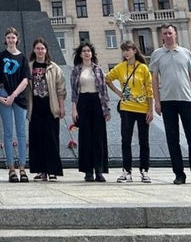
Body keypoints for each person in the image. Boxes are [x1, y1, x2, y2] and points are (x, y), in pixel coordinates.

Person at [150, 24, 191, 185]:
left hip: (187, 100)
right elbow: (154, 80)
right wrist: (157, 101)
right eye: (165, 33)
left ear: (175, 34)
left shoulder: (186, 53)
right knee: (172, 139)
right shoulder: (157, 54)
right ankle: (179, 174)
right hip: (167, 101)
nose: (168, 36)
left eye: (170, 33)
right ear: (161, 36)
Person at [106, 40, 153, 183]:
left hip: (142, 108)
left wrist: (150, 109)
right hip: (126, 108)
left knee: (144, 141)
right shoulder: (120, 67)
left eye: (128, 50)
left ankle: (144, 171)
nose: (126, 53)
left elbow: (149, 89)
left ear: (135, 51)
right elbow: (107, 79)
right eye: (124, 50)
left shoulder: (143, 68)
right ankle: (127, 171)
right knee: (126, 140)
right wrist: (117, 92)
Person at [0, 27, 30, 182]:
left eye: (13, 37)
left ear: (17, 39)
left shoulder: (22, 58)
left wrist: (14, 95)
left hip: (18, 97)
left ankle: (22, 167)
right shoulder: (0, 56)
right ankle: (11, 168)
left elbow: (25, 80)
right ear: (5, 39)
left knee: (21, 133)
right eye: (8, 37)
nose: (11, 40)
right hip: (3, 95)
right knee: (8, 132)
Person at [70, 41, 110, 182]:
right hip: (83, 102)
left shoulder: (98, 69)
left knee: (99, 137)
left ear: (92, 54)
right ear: (80, 54)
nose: (87, 53)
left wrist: (107, 109)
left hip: (97, 102)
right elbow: (74, 92)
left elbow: (104, 91)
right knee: (85, 137)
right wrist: (74, 109)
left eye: (89, 51)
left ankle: (99, 170)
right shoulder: (76, 70)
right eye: (84, 51)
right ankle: (88, 171)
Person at [27, 37, 65, 181]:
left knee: (51, 139)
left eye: (42, 48)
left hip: (50, 107)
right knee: (37, 139)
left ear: (46, 50)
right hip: (35, 107)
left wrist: (61, 107)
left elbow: (61, 89)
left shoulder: (54, 68)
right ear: (34, 50)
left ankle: (52, 170)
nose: (40, 51)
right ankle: (41, 170)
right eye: (38, 48)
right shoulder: (29, 66)